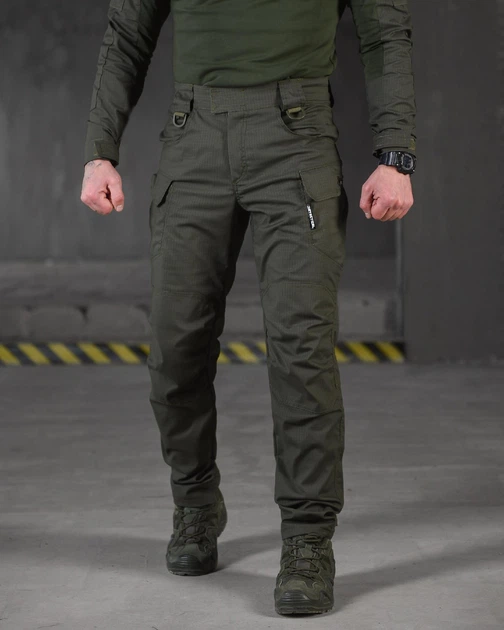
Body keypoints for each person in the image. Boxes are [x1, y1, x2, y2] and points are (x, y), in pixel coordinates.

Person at [80, 0, 416, 616]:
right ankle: (195, 502)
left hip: (297, 140)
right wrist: (100, 150)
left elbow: (385, 33)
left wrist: (396, 154)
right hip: (193, 137)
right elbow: (128, 32)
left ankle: (308, 542)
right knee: (175, 348)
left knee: (301, 352)